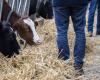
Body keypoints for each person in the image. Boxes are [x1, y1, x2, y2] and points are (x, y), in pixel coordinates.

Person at [52, 0, 88, 76]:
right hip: (80, 3)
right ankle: (78, 65)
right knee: (80, 31)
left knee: (61, 31)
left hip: (60, 3)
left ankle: (65, 64)